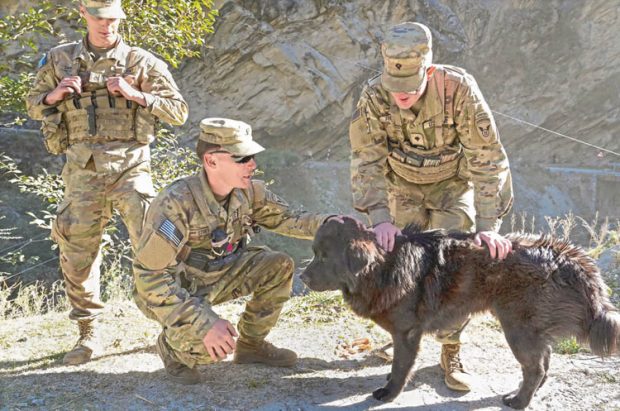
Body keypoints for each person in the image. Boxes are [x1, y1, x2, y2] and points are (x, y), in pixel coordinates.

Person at [349, 22, 514, 391]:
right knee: (399, 265)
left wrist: (488, 225)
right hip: (401, 187)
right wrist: (379, 219)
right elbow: (366, 158)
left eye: (410, 88)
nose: (401, 96)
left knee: (456, 269)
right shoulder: (374, 95)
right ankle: (401, 334)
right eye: (396, 89)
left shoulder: (459, 89)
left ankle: (450, 347)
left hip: (452, 187)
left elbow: (488, 159)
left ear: (429, 70)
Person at [26, 0, 188, 365]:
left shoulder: (141, 61)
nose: (107, 26)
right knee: (77, 251)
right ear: (84, 14)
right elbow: (33, 106)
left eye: (113, 20)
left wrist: (136, 95)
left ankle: (173, 326)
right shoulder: (59, 59)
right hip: (82, 171)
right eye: (100, 19)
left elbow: (179, 111)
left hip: (130, 168)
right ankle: (89, 333)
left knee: (156, 247)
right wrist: (54, 95)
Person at [133, 118, 343, 384]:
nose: (252, 165)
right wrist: (203, 322)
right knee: (211, 350)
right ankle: (173, 349)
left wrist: (331, 224)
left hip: (221, 275)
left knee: (278, 264)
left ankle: (251, 346)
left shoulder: (249, 192)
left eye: (251, 157)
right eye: (242, 158)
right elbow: (149, 278)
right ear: (211, 161)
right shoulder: (175, 204)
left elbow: (290, 218)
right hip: (178, 290)